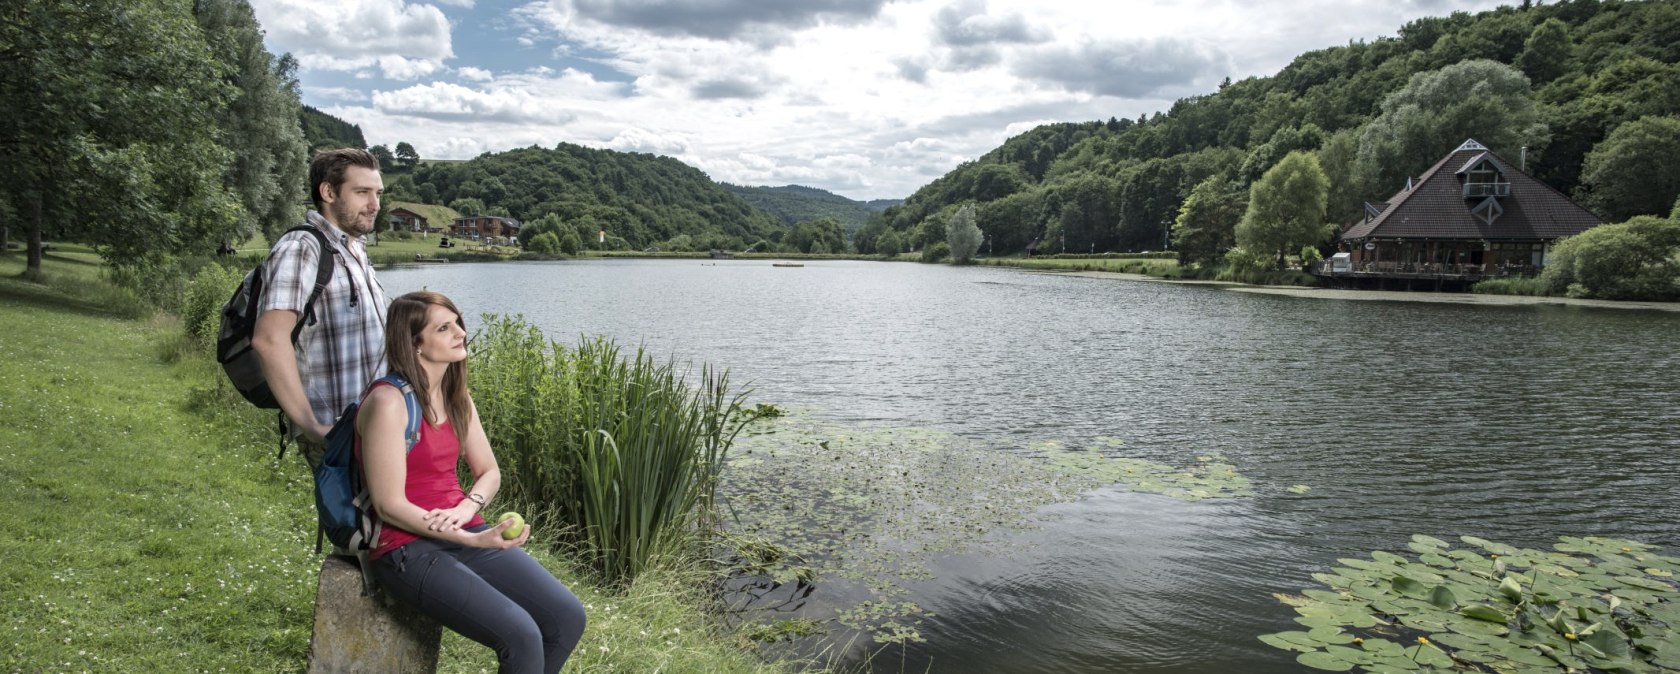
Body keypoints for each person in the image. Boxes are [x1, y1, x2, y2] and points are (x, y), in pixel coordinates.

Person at [357, 291, 587, 673]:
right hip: (406, 547)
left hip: (463, 530)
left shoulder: (456, 397)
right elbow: (388, 505)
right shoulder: (388, 403)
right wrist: (468, 537)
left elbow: (490, 471)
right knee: (521, 634)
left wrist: (467, 508)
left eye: (457, 322)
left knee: (566, 617)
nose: (460, 333)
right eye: (443, 328)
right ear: (414, 344)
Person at [252, 148, 388, 471]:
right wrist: (311, 426)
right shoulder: (302, 249)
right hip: (339, 433)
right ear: (327, 192)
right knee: (362, 522)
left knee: (383, 522)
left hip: (375, 428)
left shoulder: (353, 249)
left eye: (378, 193)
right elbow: (269, 340)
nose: (375, 204)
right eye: (362, 192)